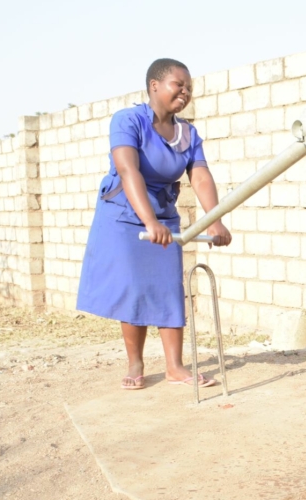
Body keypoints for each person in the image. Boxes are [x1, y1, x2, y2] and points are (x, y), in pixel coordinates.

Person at [77, 58, 231, 390]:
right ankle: (136, 363)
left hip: (163, 215)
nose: (186, 91)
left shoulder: (187, 133)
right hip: (124, 216)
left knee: (168, 288)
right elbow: (128, 169)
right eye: (179, 84)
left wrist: (215, 221)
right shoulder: (128, 120)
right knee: (134, 289)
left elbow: (201, 177)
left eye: (189, 87)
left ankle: (175, 367)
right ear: (155, 86)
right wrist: (149, 221)